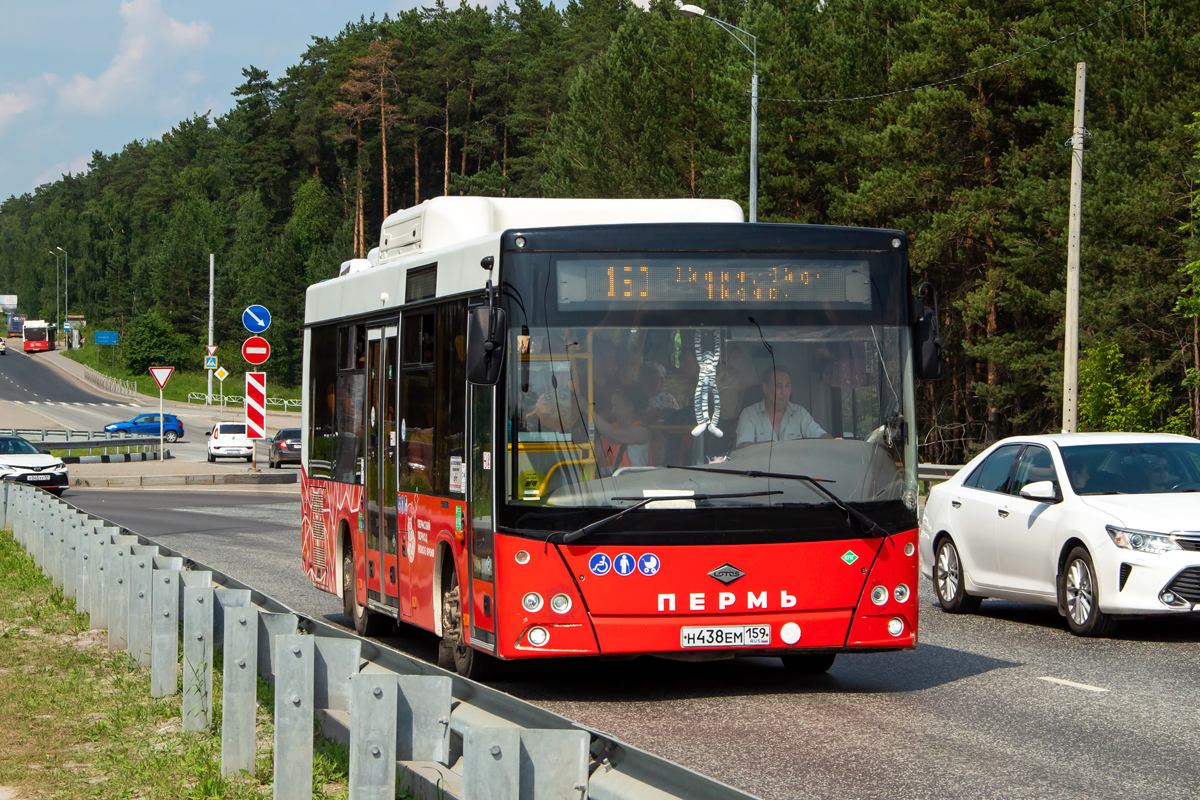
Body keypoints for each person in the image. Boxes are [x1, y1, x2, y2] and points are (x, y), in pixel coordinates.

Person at [735, 366, 831, 448]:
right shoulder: (749, 414)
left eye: (787, 386)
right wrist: (769, 448)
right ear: (765, 388)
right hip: (760, 468)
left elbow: (821, 436)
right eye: (778, 386)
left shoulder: (800, 413)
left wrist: (835, 444)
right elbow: (743, 447)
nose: (784, 391)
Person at [594, 385, 651, 469]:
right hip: (609, 481)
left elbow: (610, 432)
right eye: (612, 406)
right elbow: (595, 452)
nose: (613, 411)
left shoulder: (642, 431)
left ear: (630, 407)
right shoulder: (613, 427)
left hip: (634, 481)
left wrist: (588, 410)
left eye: (616, 406)